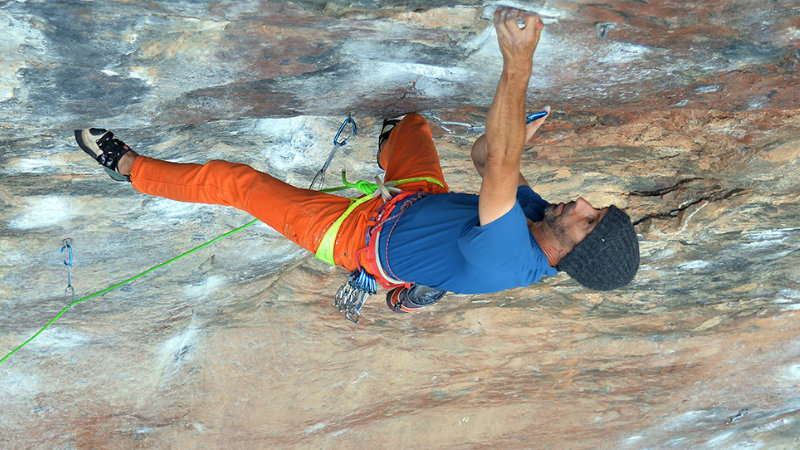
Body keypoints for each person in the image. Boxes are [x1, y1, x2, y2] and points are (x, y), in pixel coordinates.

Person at [74, 7, 638, 314]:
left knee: (235, 181)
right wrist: (514, 140)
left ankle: (126, 167)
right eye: (598, 207)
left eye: (589, 219)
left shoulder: (509, 254)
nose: (584, 202)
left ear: (572, 251)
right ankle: (419, 274)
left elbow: (497, 169)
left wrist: (517, 64)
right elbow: (486, 155)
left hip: (352, 236)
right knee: (411, 125)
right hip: (418, 203)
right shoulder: (543, 221)